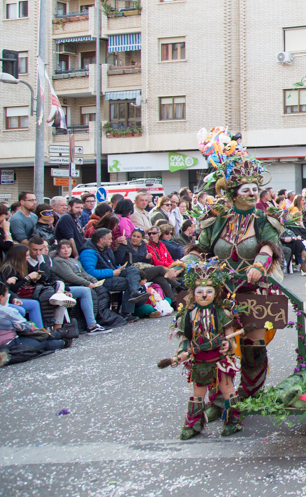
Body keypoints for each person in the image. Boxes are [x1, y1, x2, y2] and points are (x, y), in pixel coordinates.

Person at [170, 127, 285, 400]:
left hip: (252, 288)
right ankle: (219, 394)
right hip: (217, 292)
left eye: (255, 190)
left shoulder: (262, 219)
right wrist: (183, 262)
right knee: (212, 343)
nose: (252, 194)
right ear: (233, 192)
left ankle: (252, 392)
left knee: (252, 344)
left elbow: (270, 245)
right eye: (245, 190)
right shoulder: (216, 218)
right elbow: (203, 249)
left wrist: (259, 264)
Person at [170, 259, 242, 439]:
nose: (204, 295)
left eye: (209, 291)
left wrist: (228, 345)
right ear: (193, 293)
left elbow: (231, 339)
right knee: (197, 395)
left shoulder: (222, 313)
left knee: (228, 392)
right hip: (200, 361)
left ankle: (233, 421)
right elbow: (186, 339)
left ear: (215, 293)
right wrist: (181, 354)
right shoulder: (188, 316)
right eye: (200, 292)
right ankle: (194, 424)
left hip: (220, 361)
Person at [80, 228, 148, 321]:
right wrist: (112, 272)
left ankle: (134, 292)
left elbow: (111, 264)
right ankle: (126, 312)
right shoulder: (88, 252)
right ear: (101, 240)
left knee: (132, 269)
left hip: (111, 274)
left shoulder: (105, 249)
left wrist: (118, 268)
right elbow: (90, 272)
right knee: (129, 282)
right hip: (99, 281)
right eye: (109, 239)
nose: (112, 241)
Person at [48, 239, 111, 334]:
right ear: (58, 250)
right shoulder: (58, 261)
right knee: (85, 291)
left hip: (79, 285)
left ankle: (101, 319)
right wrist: (87, 283)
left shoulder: (74, 261)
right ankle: (91, 325)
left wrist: (94, 281)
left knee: (99, 290)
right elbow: (70, 276)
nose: (66, 250)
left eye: (68, 247)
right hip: (66, 288)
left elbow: (84, 273)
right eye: (63, 248)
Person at [0, 283, 66, 356]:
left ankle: (63, 334)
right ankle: (65, 340)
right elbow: (25, 327)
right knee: (42, 342)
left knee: (38, 338)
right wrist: (32, 326)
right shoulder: (5, 312)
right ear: (1, 297)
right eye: (7, 295)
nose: (7, 297)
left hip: (5, 343)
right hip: (9, 345)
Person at [1, 244, 46, 328]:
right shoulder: (8, 268)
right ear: (19, 256)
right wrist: (27, 278)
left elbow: (44, 275)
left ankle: (43, 330)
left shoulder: (24, 265)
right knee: (34, 304)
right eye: (27, 255)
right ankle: (40, 331)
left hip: (20, 295)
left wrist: (36, 277)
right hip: (10, 298)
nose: (28, 257)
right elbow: (11, 289)